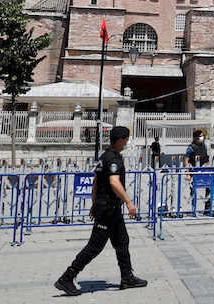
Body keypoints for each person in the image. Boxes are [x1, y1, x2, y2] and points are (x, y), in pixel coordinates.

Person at [54, 126, 147, 295]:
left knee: (122, 241)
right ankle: (67, 277)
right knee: (94, 246)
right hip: (107, 210)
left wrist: (94, 202)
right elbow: (113, 182)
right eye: (126, 140)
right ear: (120, 140)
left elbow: (96, 182)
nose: (127, 142)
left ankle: (127, 277)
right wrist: (129, 202)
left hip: (110, 209)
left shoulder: (104, 157)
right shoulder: (113, 160)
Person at [185, 129, 212, 215]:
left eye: (202, 136)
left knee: (209, 189)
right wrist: (188, 173)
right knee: (194, 190)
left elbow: (207, 159)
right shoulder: (191, 147)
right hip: (194, 171)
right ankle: (194, 209)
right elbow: (186, 161)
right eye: (200, 136)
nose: (202, 138)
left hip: (204, 171)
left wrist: (210, 168)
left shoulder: (204, 146)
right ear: (195, 137)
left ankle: (207, 208)